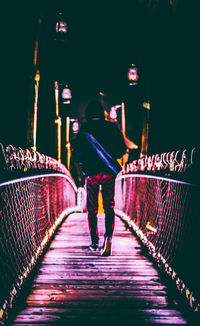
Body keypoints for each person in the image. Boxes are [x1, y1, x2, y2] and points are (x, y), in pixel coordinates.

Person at [73, 100, 126, 256]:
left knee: (92, 208)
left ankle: (94, 241)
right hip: (108, 172)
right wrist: (110, 157)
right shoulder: (111, 127)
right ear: (102, 114)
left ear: (89, 114)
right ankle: (108, 238)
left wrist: (84, 166)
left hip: (92, 173)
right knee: (109, 206)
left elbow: (77, 153)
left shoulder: (85, 130)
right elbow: (121, 149)